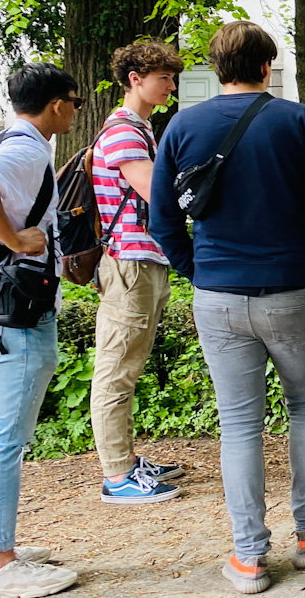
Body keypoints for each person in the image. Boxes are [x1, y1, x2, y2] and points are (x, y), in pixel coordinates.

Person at [150, 22, 305, 593]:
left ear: (217, 69)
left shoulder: (180, 126)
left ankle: (248, 557)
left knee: (239, 423)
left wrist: (199, 272)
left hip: (218, 296)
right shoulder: (297, 120)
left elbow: (162, 220)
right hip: (292, 288)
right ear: (267, 66)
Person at [0, 63, 79, 597]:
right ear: (56, 105)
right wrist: (13, 238)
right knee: (5, 437)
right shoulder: (28, 151)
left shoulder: (5, 141)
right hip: (9, 310)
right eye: (73, 101)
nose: (75, 110)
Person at [91, 41, 187, 504]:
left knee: (127, 365)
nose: (170, 85)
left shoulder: (140, 129)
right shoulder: (125, 132)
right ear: (136, 79)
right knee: (116, 369)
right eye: (163, 77)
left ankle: (127, 463)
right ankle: (116, 476)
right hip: (129, 263)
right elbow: (157, 194)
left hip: (142, 260)